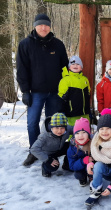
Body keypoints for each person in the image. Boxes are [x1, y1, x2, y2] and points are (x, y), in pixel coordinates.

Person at [16, 14, 69, 166]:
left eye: (46, 25)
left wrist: (66, 89)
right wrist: (25, 91)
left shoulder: (58, 45)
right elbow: (21, 70)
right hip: (35, 92)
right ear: (35, 26)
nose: (43, 28)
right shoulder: (25, 44)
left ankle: (51, 151)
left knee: (53, 124)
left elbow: (65, 67)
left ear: (50, 27)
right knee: (32, 123)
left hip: (55, 92)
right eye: (40, 25)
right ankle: (34, 151)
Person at [85, 114, 111, 206]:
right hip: (105, 170)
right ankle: (96, 190)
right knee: (98, 165)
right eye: (102, 129)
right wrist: (90, 164)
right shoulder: (96, 141)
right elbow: (94, 156)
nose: (104, 132)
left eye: (108, 128)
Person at [30, 113, 73, 177]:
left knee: (72, 147)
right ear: (51, 127)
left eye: (62, 128)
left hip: (60, 148)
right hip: (49, 153)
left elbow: (77, 130)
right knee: (53, 166)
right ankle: (45, 168)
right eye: (56, 128)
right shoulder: (44, 135)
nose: (59, 131)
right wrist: (47, 159)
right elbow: (34, 149)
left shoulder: (67, 129)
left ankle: (67, 164)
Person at [58, 56, 91, 127]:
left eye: (78, 64)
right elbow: (61, 96)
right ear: (69, 67)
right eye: (73, 64)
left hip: (85, 113)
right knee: (73, 131)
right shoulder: (66, 80)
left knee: (85, 130)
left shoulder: (85, 79)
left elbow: (88, 92)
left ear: (81, 67)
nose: (75, 66)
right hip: (72, 113)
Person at [67, 117, 93, 186]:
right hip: (81, 167)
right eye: (77, 133)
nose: (80, 136)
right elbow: (72, 166)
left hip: (91, 166)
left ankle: (92, 177)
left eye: (84, 132)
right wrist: (83, 161)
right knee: (78, 174)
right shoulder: (72, 148)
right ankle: (82, 178)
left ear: (88, 134)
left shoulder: (93, 144)